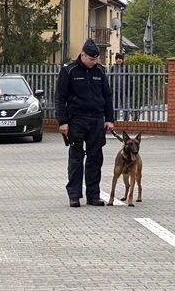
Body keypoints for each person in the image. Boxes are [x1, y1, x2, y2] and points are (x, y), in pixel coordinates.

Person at [55, 39, 115, 207]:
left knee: (95, 158)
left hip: (96, 119)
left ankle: (93, 195)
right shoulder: (69, 71)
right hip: (76, 119)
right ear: (82, 55)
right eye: (91, 58)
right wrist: (63, 122)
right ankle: (74, 195)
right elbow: (60, 97)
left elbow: (107, 96)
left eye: (96, 59)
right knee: (76, 158)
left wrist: (109, 119)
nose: (94, 61)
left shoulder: (100, 71)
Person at [110, 52, 132, 122]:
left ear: (122, 60)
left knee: (125, 105)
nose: (118, 60)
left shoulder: (126, 68)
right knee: (114, 105)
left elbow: (130, 79)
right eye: (117, 58)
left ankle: (126, 120)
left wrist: (129, 89)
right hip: (115, 90)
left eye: (120, 58)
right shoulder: (113, 68)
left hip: (124, 90)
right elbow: (111, 78)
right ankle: (114, 119)